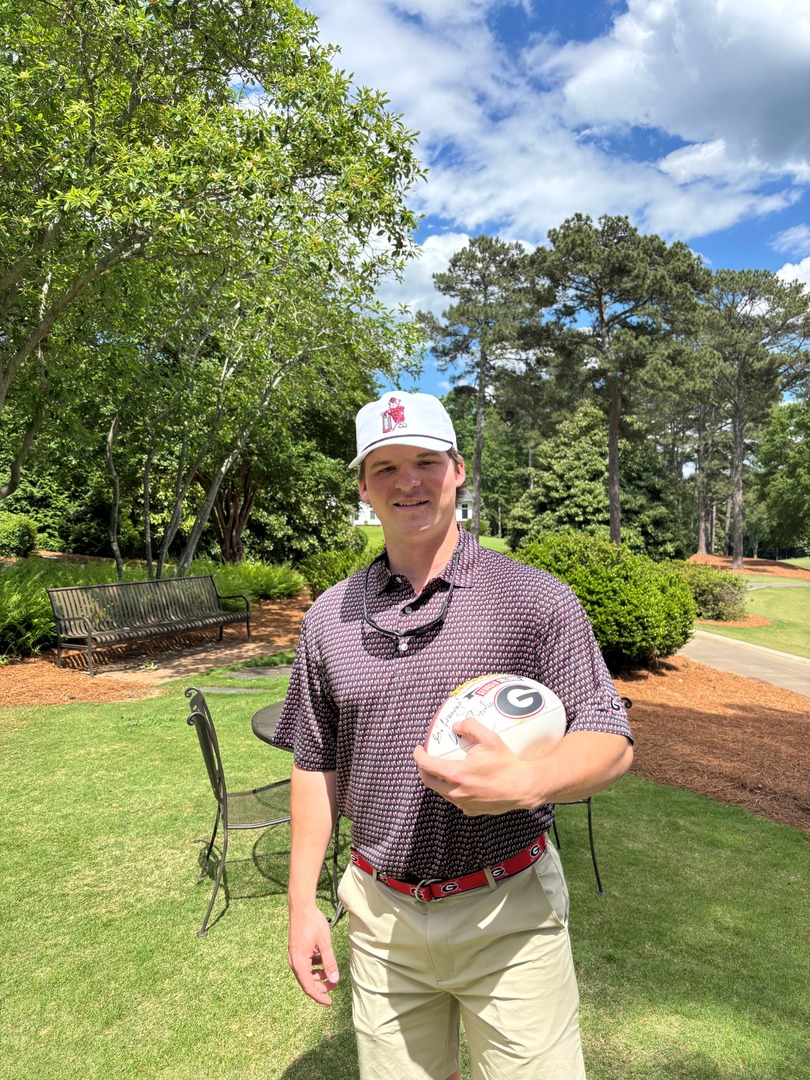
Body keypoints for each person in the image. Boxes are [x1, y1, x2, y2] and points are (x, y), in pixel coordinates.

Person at [272, 390, 633, 1080]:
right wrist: (301, 904)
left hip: (509, 916)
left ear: (458, 470)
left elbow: (610, 738)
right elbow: (315, 763)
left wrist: (531, 781)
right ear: (363, 486)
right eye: (386, 467)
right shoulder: (328, 618)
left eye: (425, 462)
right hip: (380, 921)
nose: (408, 481)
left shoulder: (533, 599)